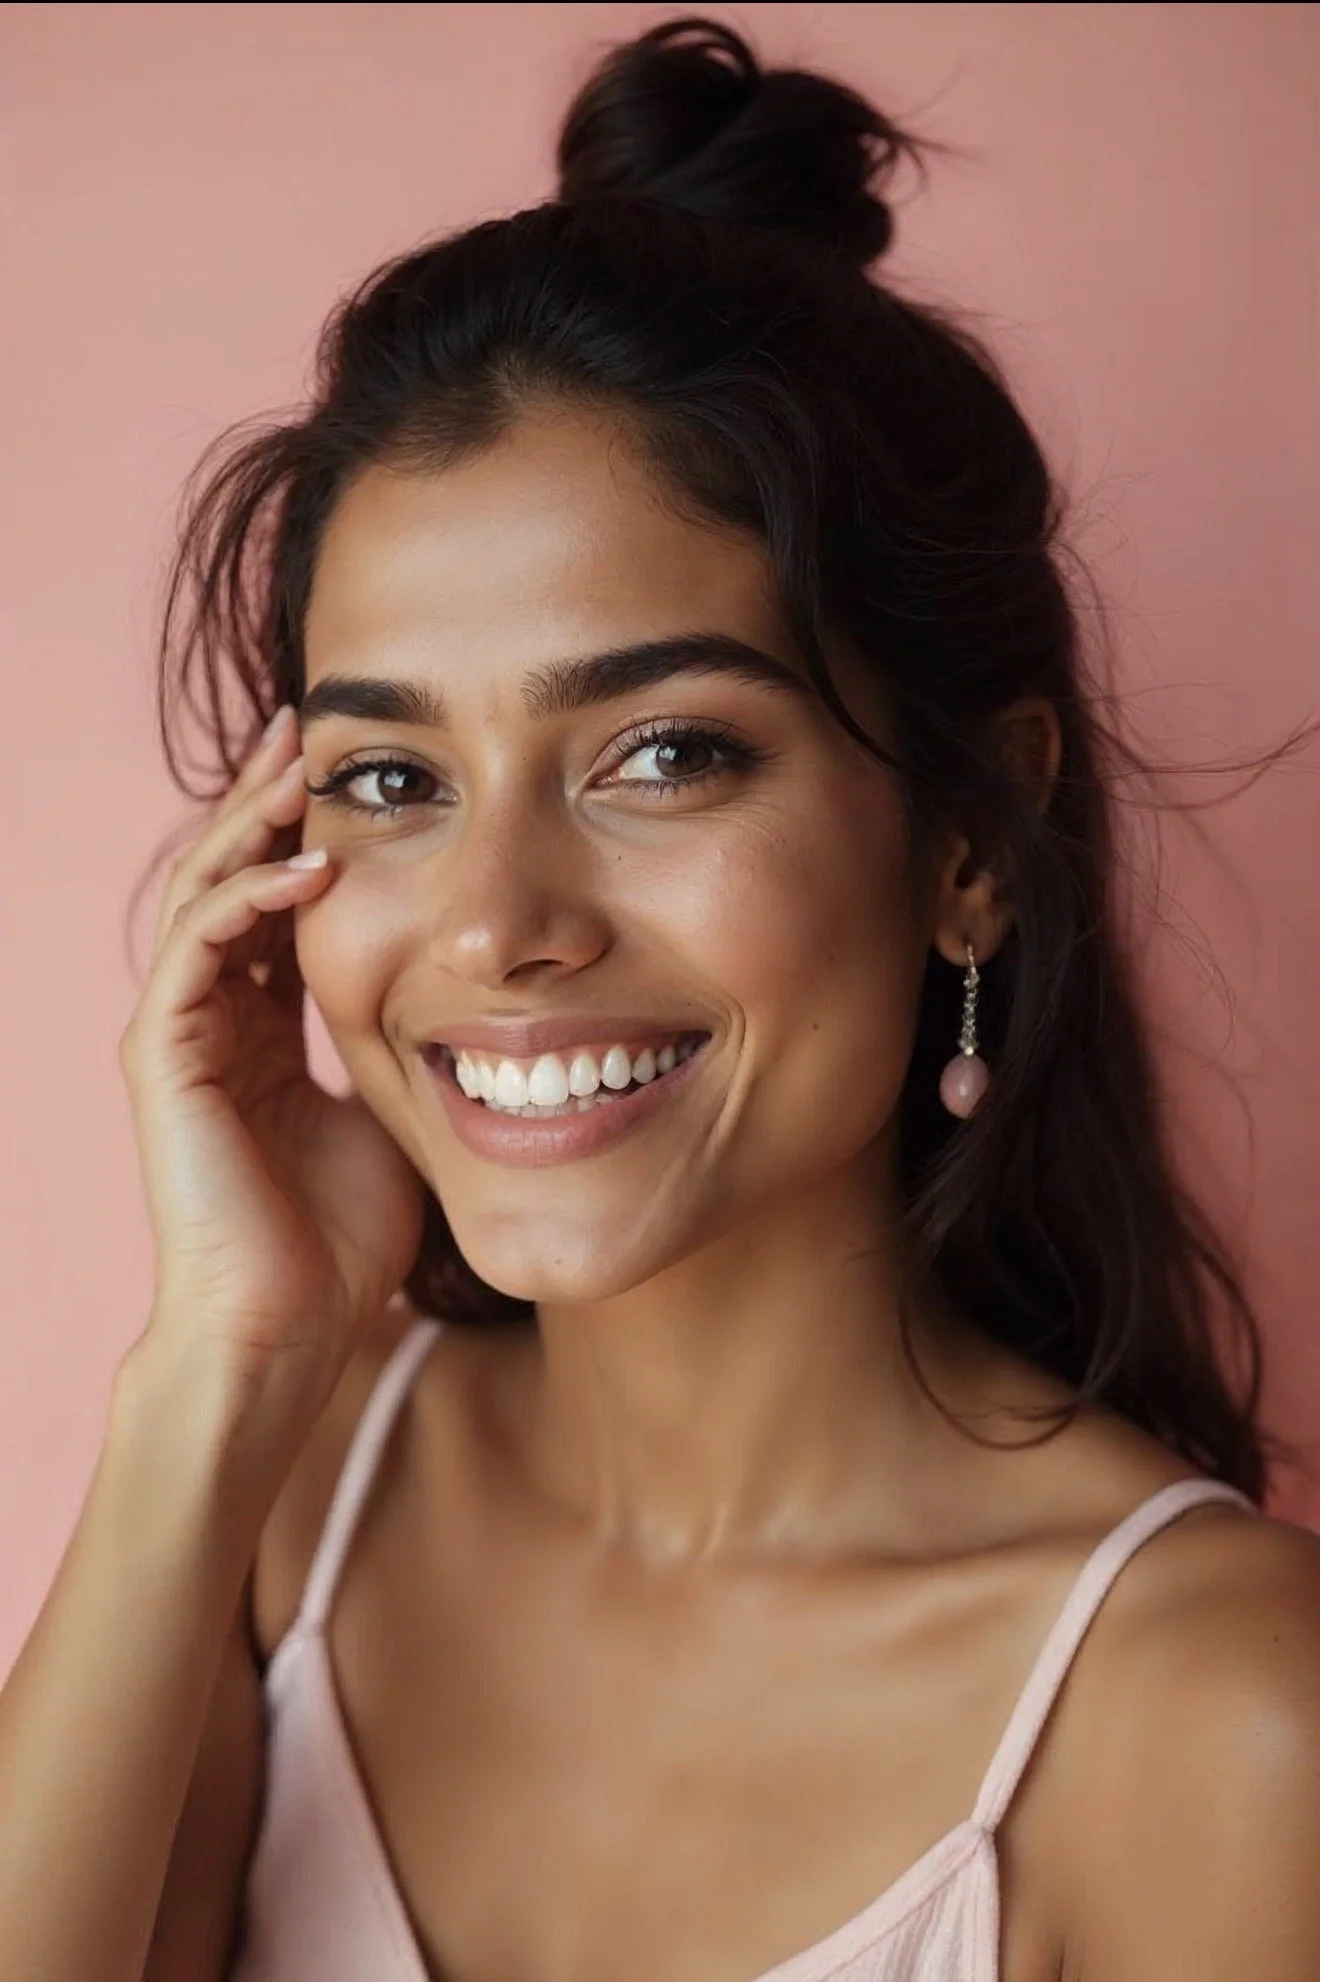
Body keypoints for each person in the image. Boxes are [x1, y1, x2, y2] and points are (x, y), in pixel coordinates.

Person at [3, 15, 1318, 1982]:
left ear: (970, 830)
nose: (497, 921)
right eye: (389, 780)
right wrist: (223, 1361)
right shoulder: (284, 1498)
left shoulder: (1225, 1723)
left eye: (664, 756)